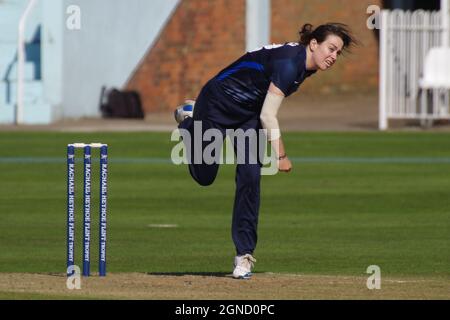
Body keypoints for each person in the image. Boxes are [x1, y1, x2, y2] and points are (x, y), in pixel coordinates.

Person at [174, 23, 358, 279]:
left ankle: (243, 257)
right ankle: (189, 122)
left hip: (248, 115)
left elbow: (262, 107)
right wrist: (281, 156)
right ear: (313, 44)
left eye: (338, 52)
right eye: (331, 48)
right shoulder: (289, 64)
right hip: (217, 102)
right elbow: (269, 115)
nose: (333, 57)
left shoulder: (307, 64)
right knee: (205, 176)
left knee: (250, 177)